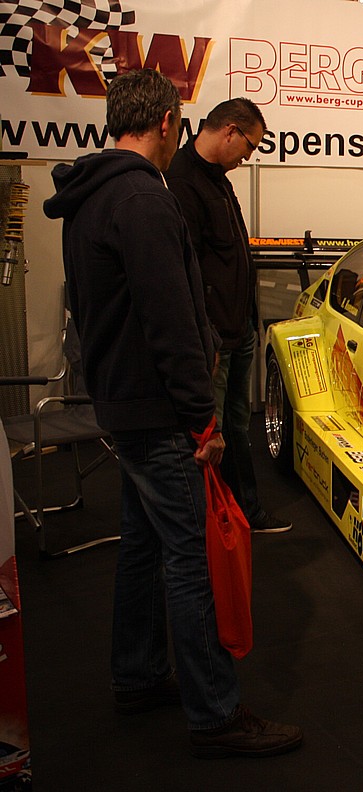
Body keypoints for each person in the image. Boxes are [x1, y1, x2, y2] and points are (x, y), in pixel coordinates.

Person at [42, 70, 301, 758]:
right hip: (160, 412)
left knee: (143, 544)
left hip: (123, 403)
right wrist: (203, 421)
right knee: (190, 560)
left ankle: (136, 674)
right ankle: (215, 713)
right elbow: (173, 323)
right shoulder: (143, 199)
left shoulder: (91, 194)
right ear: (166, 122)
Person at [166, 99, 291, 534]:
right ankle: (214, 525)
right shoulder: (182, 181)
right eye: (250, 146)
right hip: (217, 339)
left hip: (238, 331)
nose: (248, 156)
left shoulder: (216, 178)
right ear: (230, 131)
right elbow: (187, 272)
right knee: (212, 436)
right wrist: (207, 338)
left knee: (237, 427)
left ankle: (242, 513)